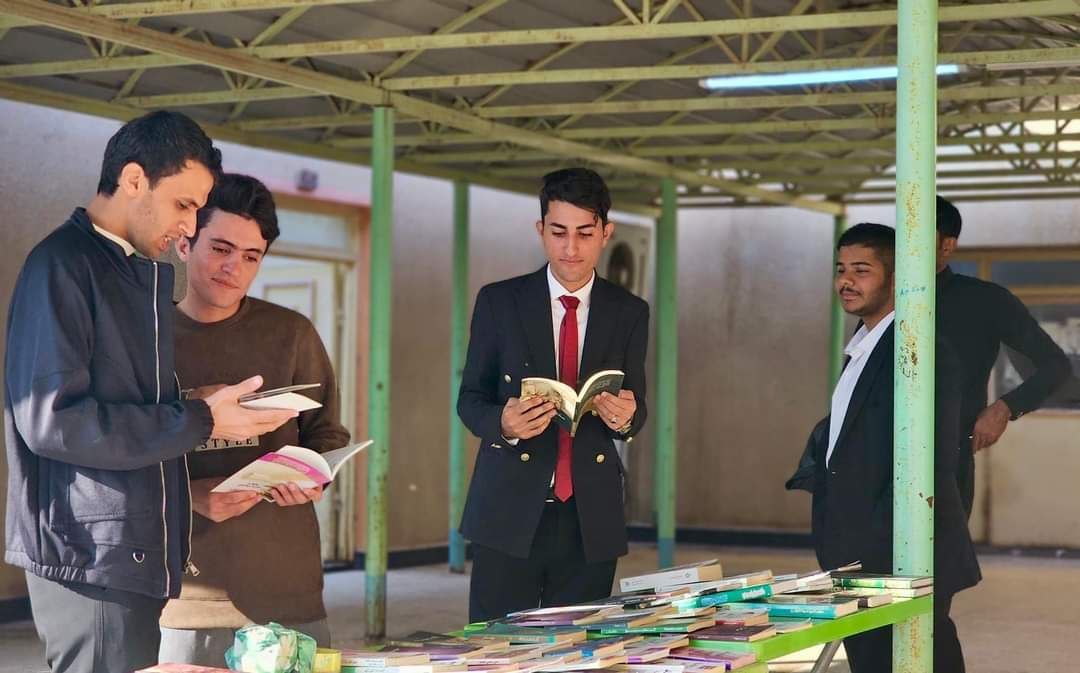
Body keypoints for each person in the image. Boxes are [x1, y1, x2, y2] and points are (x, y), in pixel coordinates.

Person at [4, 111, 297, 673]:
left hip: (123, 551)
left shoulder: (125, 268)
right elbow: (52, 422)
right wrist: (202, 419)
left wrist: (198, 401)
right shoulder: (64, 265)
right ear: (134, 179)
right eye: (183, 205)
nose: (188, 227)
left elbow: (118, 399)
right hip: (90, 554)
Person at [157, 173, 350, 665]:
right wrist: (189, 496)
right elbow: (120, 452)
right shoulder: (148, 339)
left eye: (250, 256)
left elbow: (327, 434)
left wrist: (313, 478)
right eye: (221, 249)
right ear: (185, 243)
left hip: (287, 589)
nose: (233, 268)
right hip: (187, 596)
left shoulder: (292, 333)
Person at [457, 167, 649, 622]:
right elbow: (470, 398)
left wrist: (625, 417)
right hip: (508, 508)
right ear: (540, 229)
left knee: (579, 646)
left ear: (606, 233)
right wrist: (503, 423)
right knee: (497, 646)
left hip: (590, 515)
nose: (571, 248)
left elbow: (637, 406)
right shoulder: (500, 302)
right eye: (558, 232)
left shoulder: (628, 312)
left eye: (585, 233)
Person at [792, 222, 981, 672]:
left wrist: (878, 556)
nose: (846, 281)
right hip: (863, 553)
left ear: (897, 279)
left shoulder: (918, 350)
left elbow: (929, 460)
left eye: (862, 270)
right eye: (841, 269)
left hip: (899, 554)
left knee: (920, 657)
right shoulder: (865, 347)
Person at [935, 195, 1072, 517]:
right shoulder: (883, 298)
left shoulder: (984, 300)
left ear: (947, 245)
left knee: (940, 548)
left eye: (917, 236)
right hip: (872, 460)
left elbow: (1055, 365)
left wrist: (1004, 409)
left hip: (946, 461)